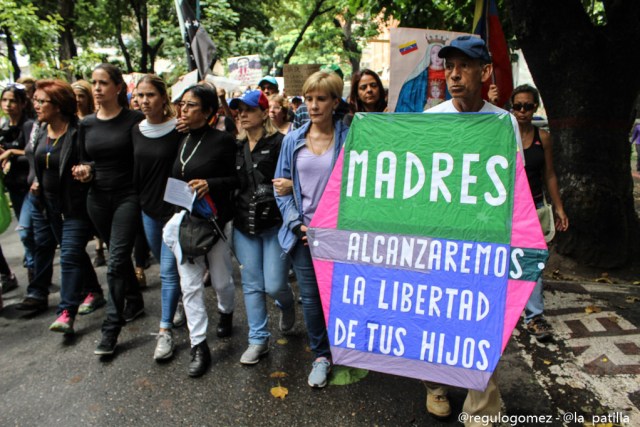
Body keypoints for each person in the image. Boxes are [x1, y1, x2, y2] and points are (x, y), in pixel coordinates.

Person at [422, 35, 524, 427]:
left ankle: (482, 410)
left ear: (484, 72)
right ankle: (435, 385)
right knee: (433, 318)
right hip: (438, 243)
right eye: (449, 65)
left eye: (464, 65)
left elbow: (512, 189)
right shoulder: (431, 122)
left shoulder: (504, 124)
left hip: (485, 246)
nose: (454, 73)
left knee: (482, 323)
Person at [274, 71, 350, 388]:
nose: (314, 105)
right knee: (312, 298)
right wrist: (297, 224)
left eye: (321, 98)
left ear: (335, 101)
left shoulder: (351, 138)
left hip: (340, 234)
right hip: (304, 235)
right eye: (309, 99)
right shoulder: (293, 140)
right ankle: (321, 355)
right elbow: (280, 190)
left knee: (342, 295)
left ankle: (347, 348)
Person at [73, 63, 145, 356]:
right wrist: (84, 170)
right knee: (117, 254)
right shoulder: (86, 124)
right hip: (97, 198)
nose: (97, 88)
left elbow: (146, 154)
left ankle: (111, 329)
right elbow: (84, 159)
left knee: (115, 260)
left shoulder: (134, 120)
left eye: (103, 83)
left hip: (128, 196)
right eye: (94, 82)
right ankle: (134, 300)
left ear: (118, 87)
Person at [168, 84, 237, 377]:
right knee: (191, 286)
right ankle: (199, 345)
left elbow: (237, 180)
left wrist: (212, 184)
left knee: (221, 281)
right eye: (182, 104)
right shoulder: (179, 139)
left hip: (215, 222)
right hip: (185, 222)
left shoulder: (223, 141)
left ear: (208, 112)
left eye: (191, 105)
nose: (183, 109)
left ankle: (226, 311)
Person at [28, 79, 104, 334]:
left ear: (58, 105)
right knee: (76, 254)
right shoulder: (40, 130)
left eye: (42, 101)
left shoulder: (78, 130)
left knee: (69, 255)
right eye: (35, 101)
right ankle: (94, 291)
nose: (36, 105)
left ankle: (66, 311)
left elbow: (92, 160)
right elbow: (35, 161)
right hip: (49, 206)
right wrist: (35, 181)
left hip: (76, 206)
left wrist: (86, 169)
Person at [229, 90, 295, 365]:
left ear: (263, 112)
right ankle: (258, 340)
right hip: (244, 225)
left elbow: (294, 175)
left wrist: (288, 186)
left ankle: (287, 304)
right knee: (252, 283)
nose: (242, 114)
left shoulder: (281, 142)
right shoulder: (235, 145)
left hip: (275, 224)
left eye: (248, 109)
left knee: (275, 283)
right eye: (239, 110)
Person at [510, 84, 569, 341]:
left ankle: (534, 317)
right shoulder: (503, 133)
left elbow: (549, 175)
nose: (522, 111)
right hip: (504, 210)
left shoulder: (542, 137)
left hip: (533, 208)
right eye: (517, 106)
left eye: (528, 106)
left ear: (535, 108)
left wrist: (559, 208)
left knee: (533, 263)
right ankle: (504, 312)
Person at [132, 74, 182, 360]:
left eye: (150, 95)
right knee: (161, 261)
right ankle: (175, 303)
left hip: (174, 211)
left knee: (166, 271)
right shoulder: (134, 130)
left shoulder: (180, 129)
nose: (144, 101)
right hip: (147, 210)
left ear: (163, 98)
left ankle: (164, 332)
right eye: (140, 95)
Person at [0, 83, 35, 293]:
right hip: (13, 188)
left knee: (26, 232)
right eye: (5, 100)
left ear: (22, 103)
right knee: (30, 234)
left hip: (31, 187)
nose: (8, 105)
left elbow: (34, 154)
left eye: (13, 100)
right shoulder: (3, 128)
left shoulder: (29, 126)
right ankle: (36, 275)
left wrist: (12, 154)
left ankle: (35, 275)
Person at [72, 80, 106, 268]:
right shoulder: (72, 123)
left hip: (99, 181)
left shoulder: (94, 121)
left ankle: (100, 248)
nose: (78, 100)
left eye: (81, 96)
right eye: (74, 96)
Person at [396, 40, 449, 112]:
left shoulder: (450, 75)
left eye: (439, 53)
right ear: (429, 55)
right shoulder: (420, 76)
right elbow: (407, 97)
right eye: (433, 53)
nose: (437, 57)